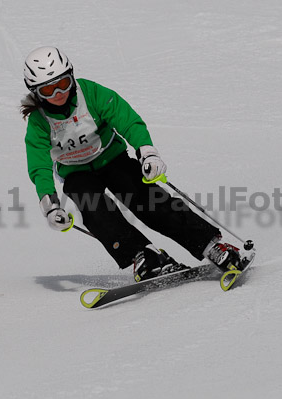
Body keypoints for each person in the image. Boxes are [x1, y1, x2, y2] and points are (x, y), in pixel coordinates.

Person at [21, 46, 242, 282]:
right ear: (36, 92)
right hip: (77, 173)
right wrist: (51, 204)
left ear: (72, 76)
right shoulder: (39, 121)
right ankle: (143, 256)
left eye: (63, 83)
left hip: (112, 158)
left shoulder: (91, 93)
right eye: (47, 89)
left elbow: (126, 120)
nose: (57, 93)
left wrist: (147, 153)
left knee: (148, 200)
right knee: (95, 211)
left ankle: (211, 246)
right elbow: (39, 164)